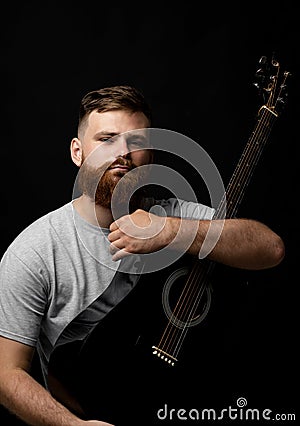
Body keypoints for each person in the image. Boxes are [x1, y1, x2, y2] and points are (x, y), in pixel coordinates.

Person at [0, 85, 285, 426]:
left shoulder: (174, 215)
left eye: (136, 143)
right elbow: (6, 375)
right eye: (107, 139)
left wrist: (169, 231)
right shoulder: (35, 250)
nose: (122, 153)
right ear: (78, 152)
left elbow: (270, 248)